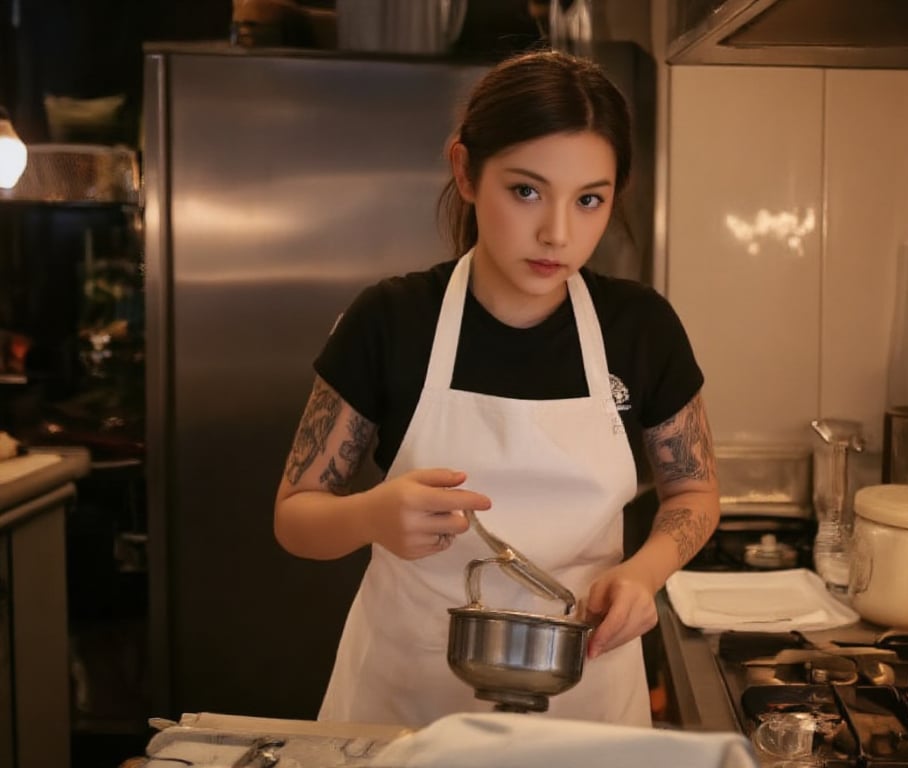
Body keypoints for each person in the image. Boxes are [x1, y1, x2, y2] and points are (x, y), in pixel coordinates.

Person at [273, 49, 720, 729]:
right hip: (404, 706)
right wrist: (370, 517)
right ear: (466, 172)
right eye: (526, 190)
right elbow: (295, 516)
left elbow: (694, 492)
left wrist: (644, 573)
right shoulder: (392, 321)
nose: (558, 233)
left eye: (590, 200)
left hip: (587, 700)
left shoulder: (640, 328)